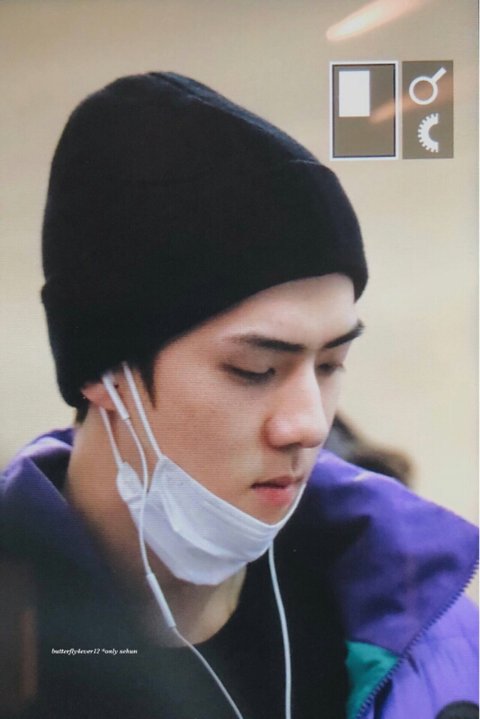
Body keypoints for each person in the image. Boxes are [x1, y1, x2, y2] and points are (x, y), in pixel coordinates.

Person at [1, 73, 477, 719]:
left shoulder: (425, 627)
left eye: (331, 363)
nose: (310, 424)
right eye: (255, 369)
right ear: (103, 372)